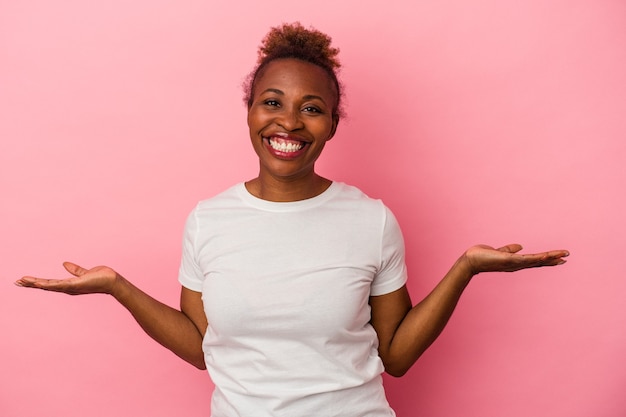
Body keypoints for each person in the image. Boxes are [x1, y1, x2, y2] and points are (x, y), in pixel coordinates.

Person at [15, 22, 569, 417]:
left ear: (332, 124)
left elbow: (395, 357)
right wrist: (116, 286)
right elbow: (202, 346)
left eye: (312, 108)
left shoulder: (371, 220)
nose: (289, 122)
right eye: (272, 102)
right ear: (250, 111)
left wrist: (465, 268)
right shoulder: (209, 220)